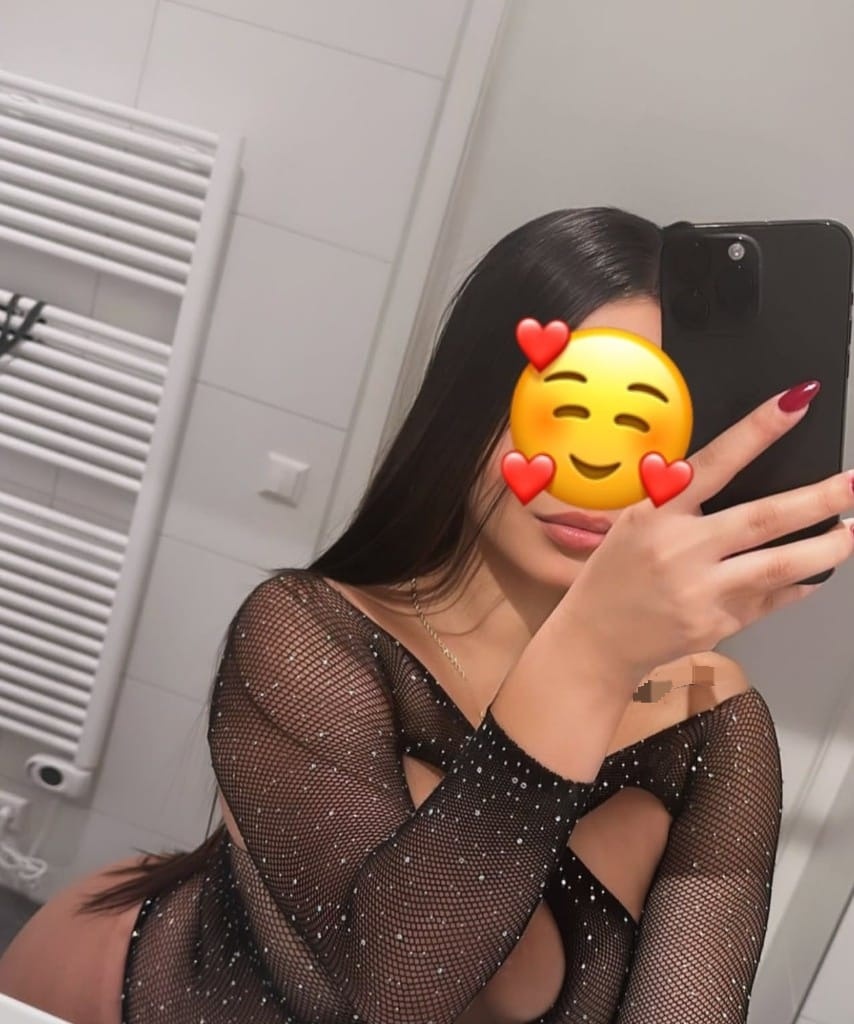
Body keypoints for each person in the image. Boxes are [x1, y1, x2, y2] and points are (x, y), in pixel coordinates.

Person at [1, 208, 851, 1024]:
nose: (595, 466)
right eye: (566, 405)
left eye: (647, 422)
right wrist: (593, 654)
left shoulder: (712, 719)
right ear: (472, 406)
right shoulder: (305, 634)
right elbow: (397, 986)